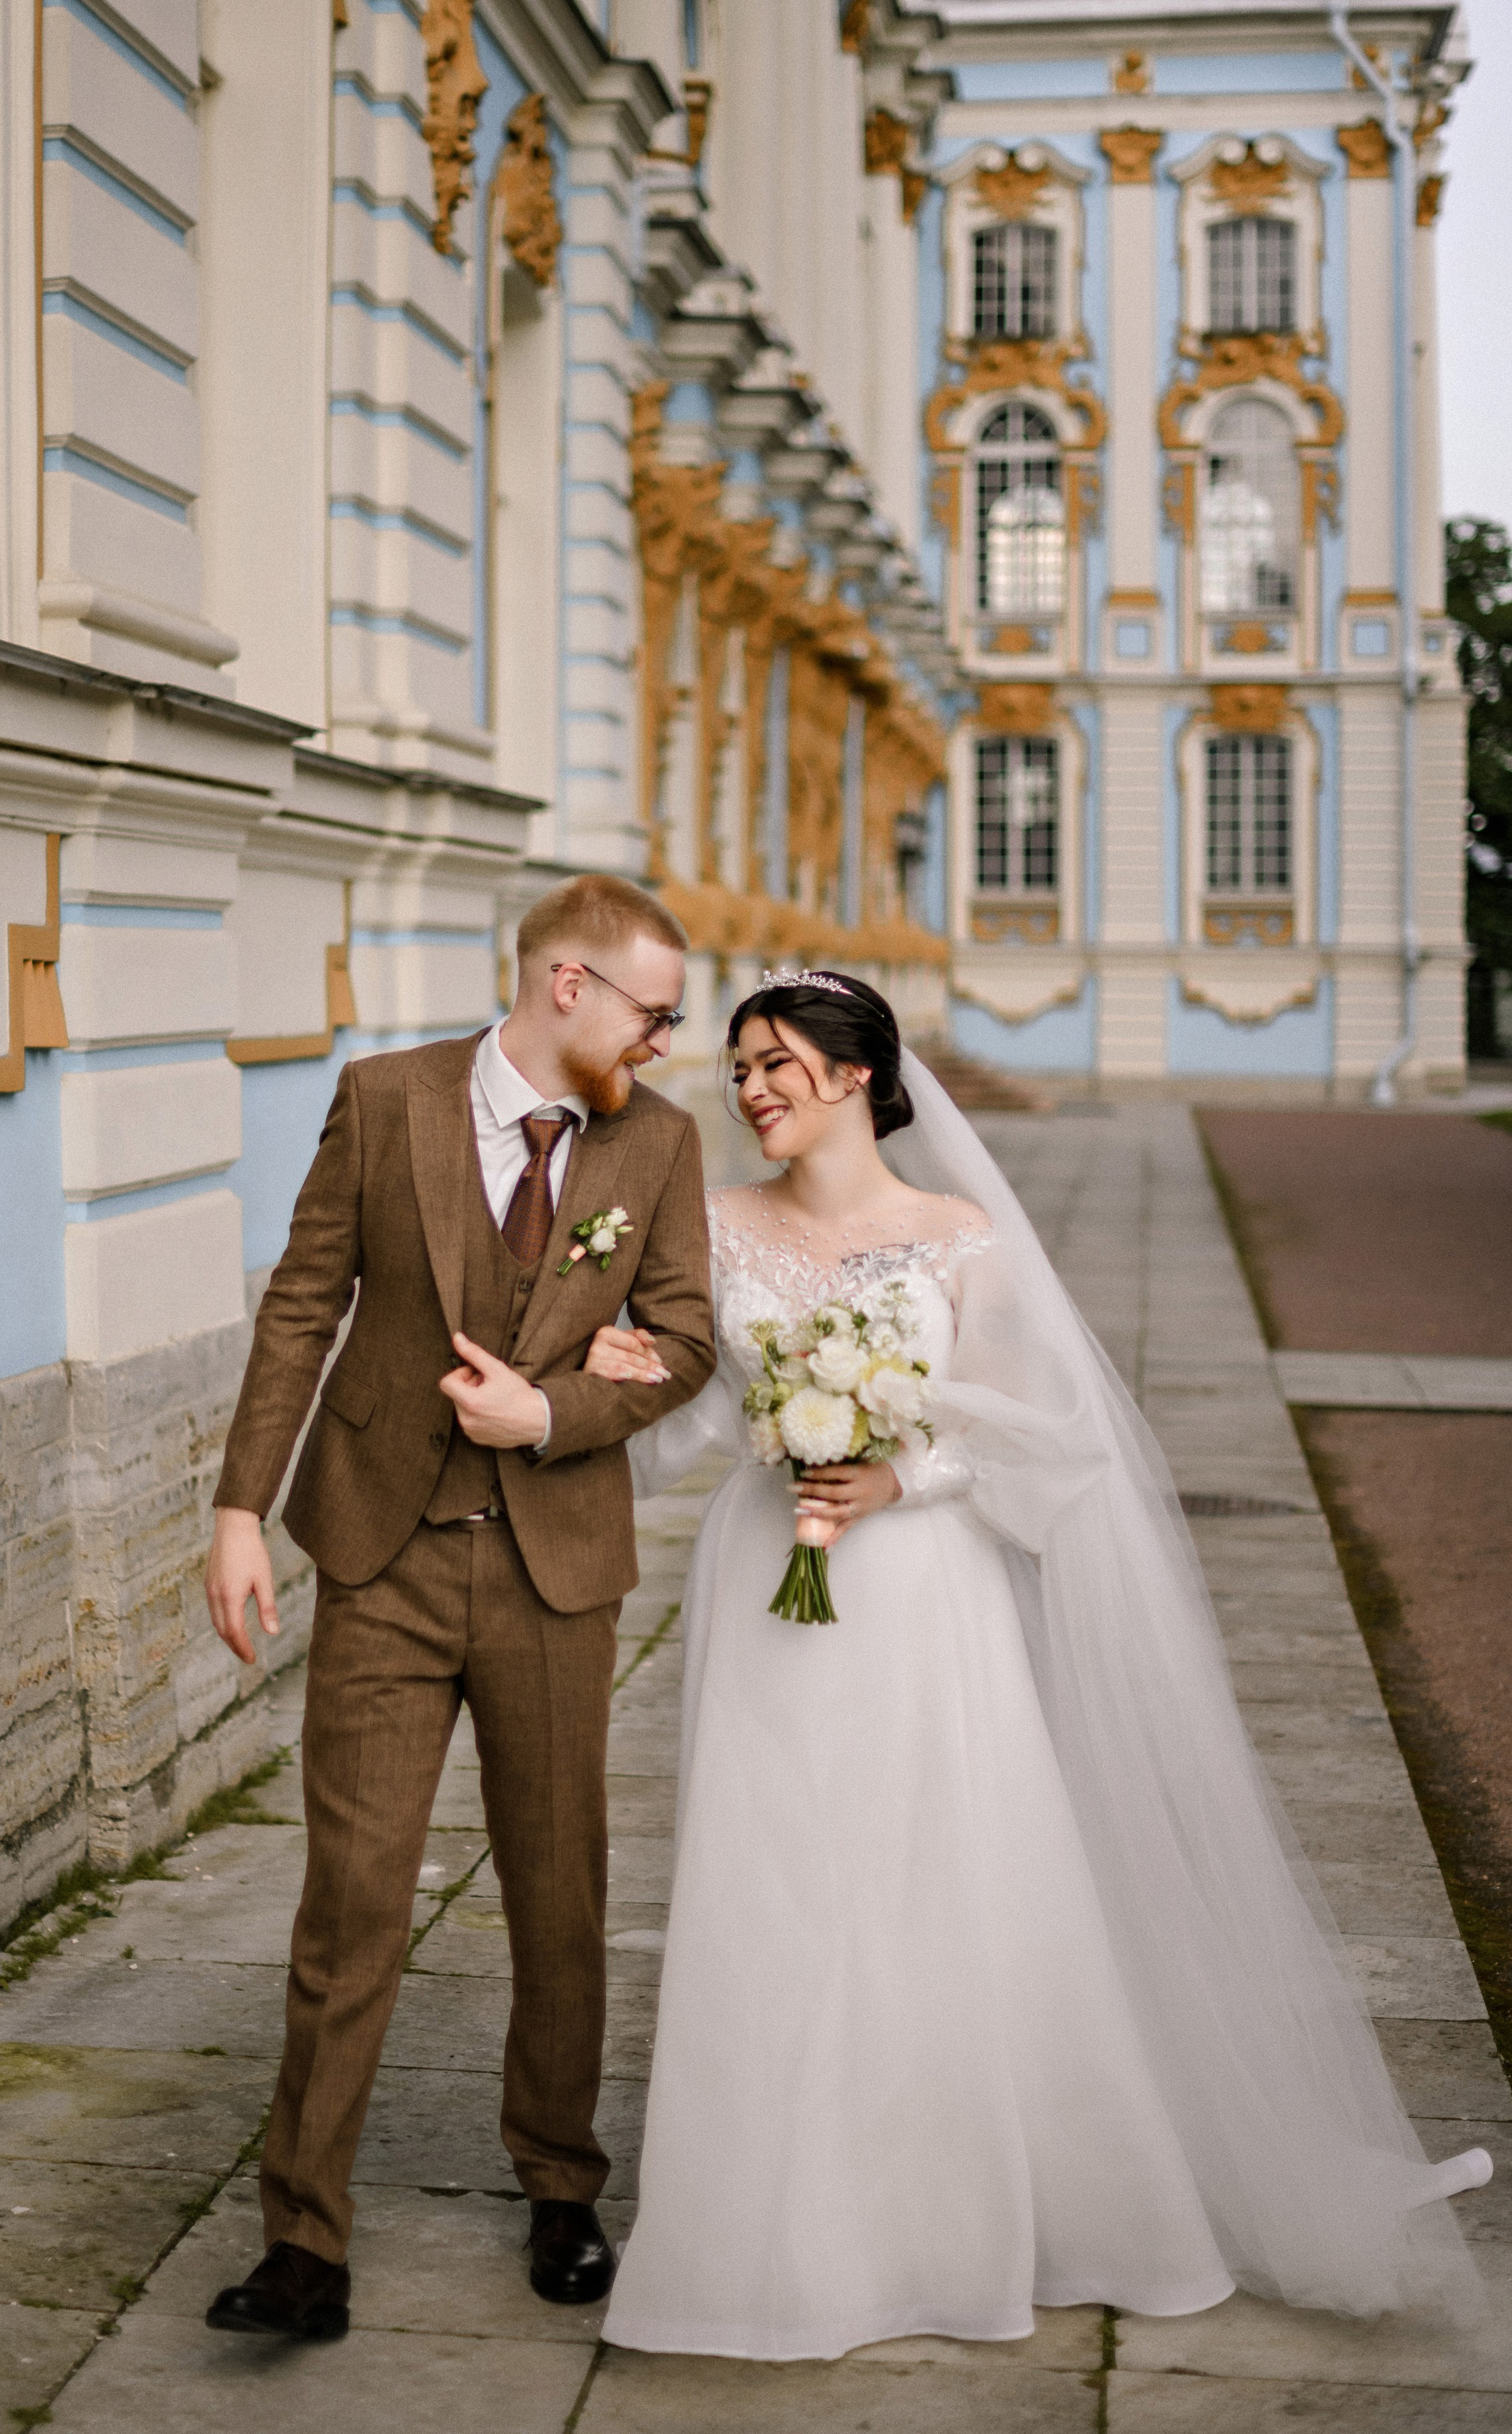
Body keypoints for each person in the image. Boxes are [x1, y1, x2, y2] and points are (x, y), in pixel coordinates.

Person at [587, 968, 1489, 2362]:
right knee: (773, 1881)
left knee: (940, 1874)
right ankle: (776, 2232)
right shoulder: (708, 1233)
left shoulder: (957, 1238)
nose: (748, 1088)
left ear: (853, 1075)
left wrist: (906, 1478)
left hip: (918, 1595)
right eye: (737, 1069)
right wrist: (615, 1381)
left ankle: (964, 2212)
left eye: (771, 1063)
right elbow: (686, 1425)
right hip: (767, 1586)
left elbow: (1045, 1437)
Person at [200, 875, 716, 2344]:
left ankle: (560, 2184)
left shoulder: (658, 1144)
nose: (666, 1040)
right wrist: (241, 1510)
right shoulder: (385, 1099)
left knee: (559, 1893)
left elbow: (680, 1343)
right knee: (348, 1903)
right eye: (652, 1010)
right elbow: (304, 1302)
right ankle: (303, 2240)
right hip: (381, 1556)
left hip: (556, 1570)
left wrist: (543, 1414)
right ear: (567, 987)